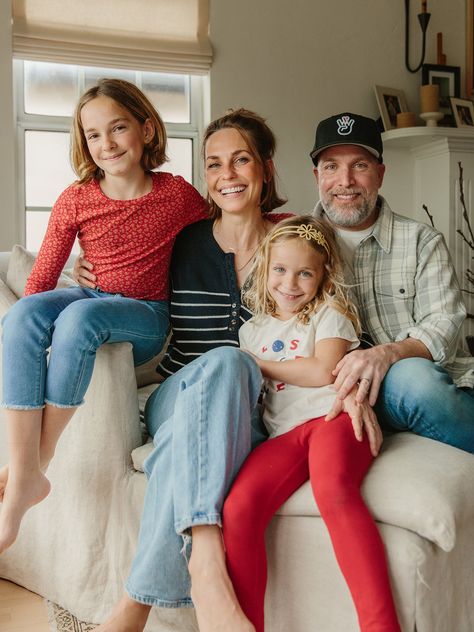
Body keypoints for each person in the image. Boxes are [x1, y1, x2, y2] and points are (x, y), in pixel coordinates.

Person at [74, 109, 377, 632]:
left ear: (265, 167)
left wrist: (350, 383)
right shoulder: (184, 238)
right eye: (213, 165)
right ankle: (207, 567)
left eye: (240, 160)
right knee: (228, 362)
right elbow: (122, 272)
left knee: (201, 417)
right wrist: (75, 269)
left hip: (250, 411)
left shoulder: (300, 236)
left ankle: (133, 608)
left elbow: (342, 316)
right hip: (177, 390)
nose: (227, 175)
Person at [0, 78, 207, 553]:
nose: (107, 143)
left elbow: (227, 230)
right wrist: (44, 311)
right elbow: (39, 283)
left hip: (148, 317)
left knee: (79, 321)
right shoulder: (77, 198)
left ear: (147, 129)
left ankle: (32, 468)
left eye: (118, 128)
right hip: (92, 300)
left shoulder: (177, 196)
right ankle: (25, 469)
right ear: (83, 142)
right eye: (94, 135)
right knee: (22, 316)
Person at [222, 215, 400, 632]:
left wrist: (258, 365)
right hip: (286, 435)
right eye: (280, 270)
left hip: (333, 419)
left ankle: (381, 626)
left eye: (305, 273)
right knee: (238, 508)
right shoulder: (252, 331)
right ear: (264, 269)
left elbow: (323, 370)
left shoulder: (330, 313)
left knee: (333, 491)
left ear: (322, 277)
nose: (290, 283)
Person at [309, 112, 474, 451]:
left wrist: (387, 355)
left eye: (360, 165)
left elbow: (445, 322)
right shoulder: (295, 244)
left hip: (414, 383)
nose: (345, 180)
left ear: (380, 174)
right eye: (331, 167)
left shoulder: (422, 241)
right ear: (317, 176)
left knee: (416, 378)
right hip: (333, 390)